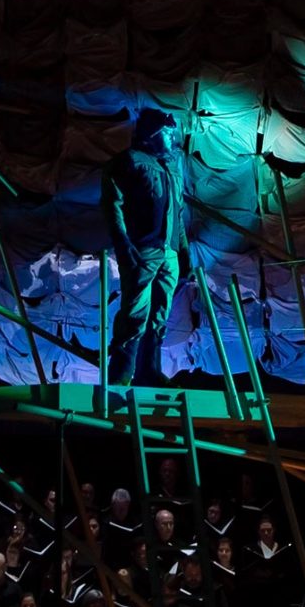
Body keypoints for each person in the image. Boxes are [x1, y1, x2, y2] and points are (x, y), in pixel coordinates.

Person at [101, 105, 189, 395]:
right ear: (152, 133)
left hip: (168, 252)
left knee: (160, 313)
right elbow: (112, 204)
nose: (172, 138)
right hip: (143, 250)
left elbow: (178, 212)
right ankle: (121, 373)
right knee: (135, 310)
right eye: (167, 132)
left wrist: (182, 251)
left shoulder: (171, 167)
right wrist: (123, 243)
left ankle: (149, 371)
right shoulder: (129, 162)